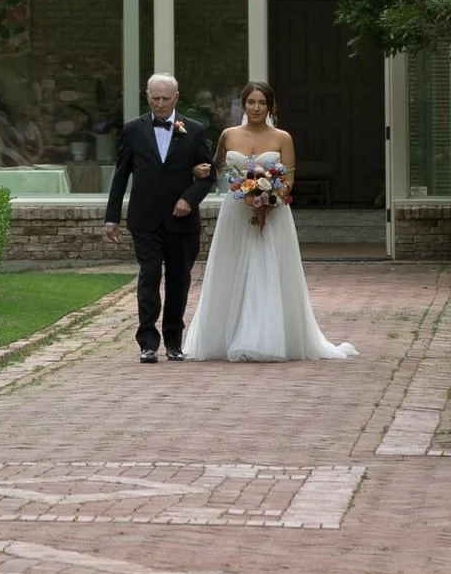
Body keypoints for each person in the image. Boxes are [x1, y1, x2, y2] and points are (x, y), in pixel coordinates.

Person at [180, 81, 356, 363]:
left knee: (266, 270)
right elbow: (213, 169)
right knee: (233, 267)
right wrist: (194, 170)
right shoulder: (228, 135)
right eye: (251, 102)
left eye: (262, 103)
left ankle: (265, 336)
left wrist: (268, 198)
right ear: (243, 104)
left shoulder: (282, 138)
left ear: (271, 107)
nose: (256, 108)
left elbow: (288, 181)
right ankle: (225, 334)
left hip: (272, 214)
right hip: (236, 213)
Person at [102, 72, 214, 361]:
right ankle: (148, 342)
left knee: (179, 280)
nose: (161, 104)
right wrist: (111, 217)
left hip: (182, 222)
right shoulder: (132, 130)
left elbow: (208, 174)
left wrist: (188, 200)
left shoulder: (195, 130)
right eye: (155, 98)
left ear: (176, 98)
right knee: (149, 277)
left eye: (166, 98)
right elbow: (120, 175)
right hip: (145, 218)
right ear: (147, 97)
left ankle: (174, 342)